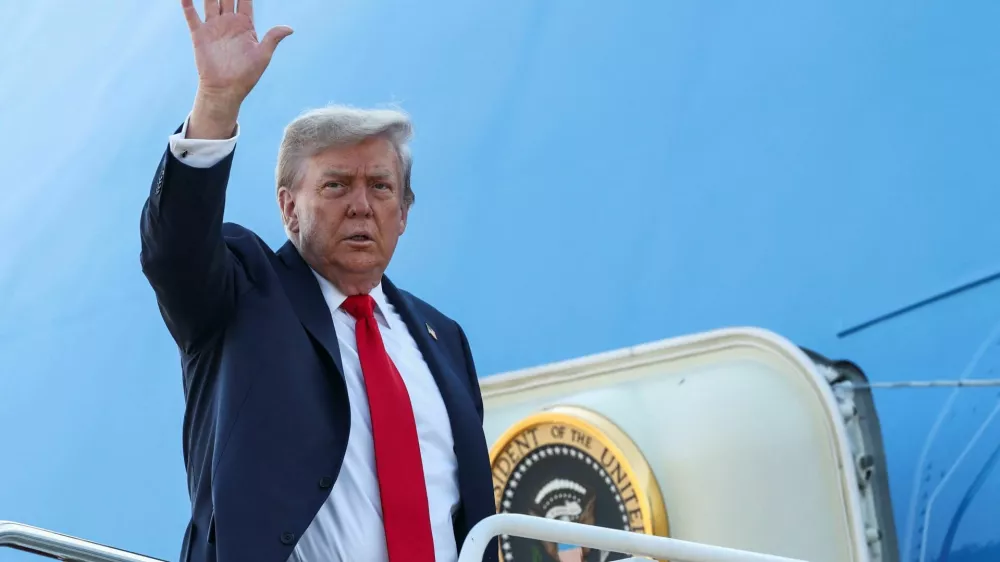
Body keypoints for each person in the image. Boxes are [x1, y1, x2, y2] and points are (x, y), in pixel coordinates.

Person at [139, 1, 497, 561]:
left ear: (404, 212)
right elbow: (175, 251)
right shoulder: (243, 293)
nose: (361, 205)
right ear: (289, 208)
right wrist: (216, 104)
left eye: (380, 187)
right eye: (336, 186)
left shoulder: (443, 338)